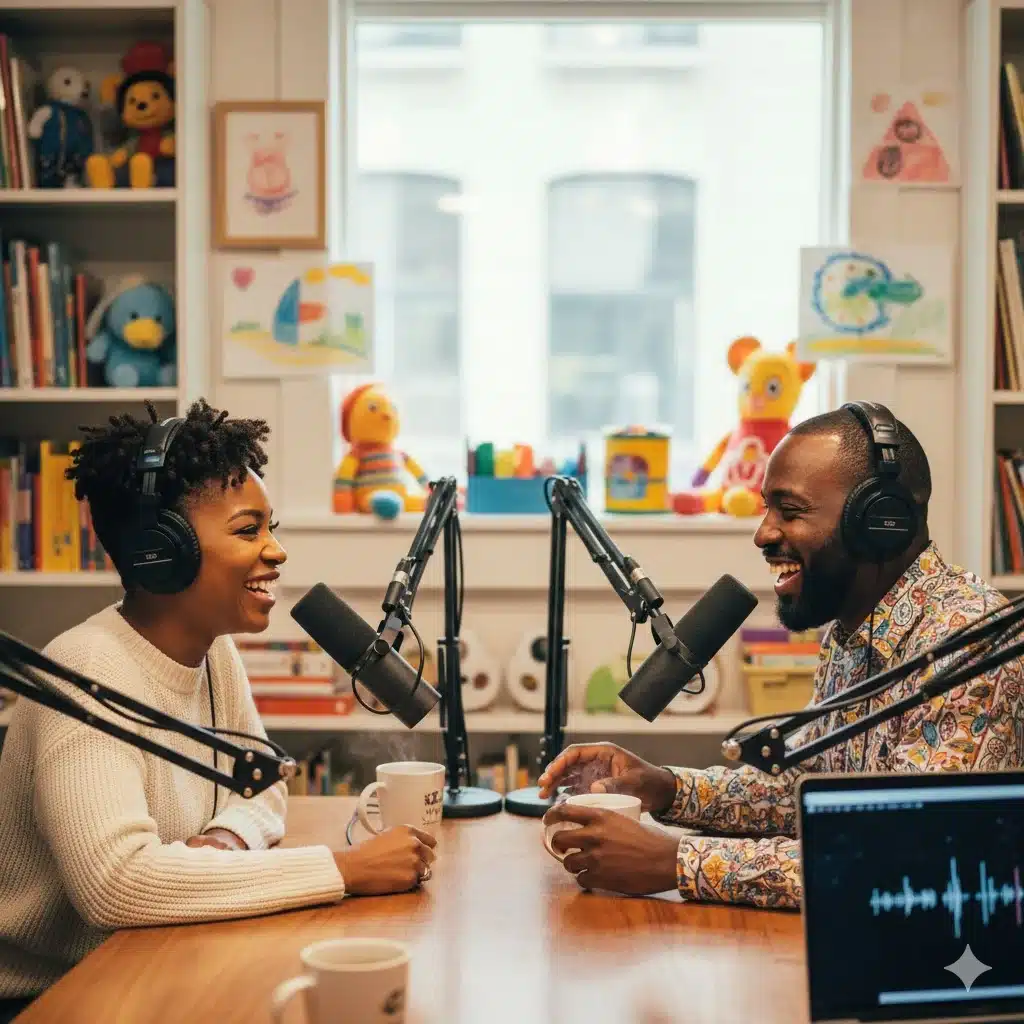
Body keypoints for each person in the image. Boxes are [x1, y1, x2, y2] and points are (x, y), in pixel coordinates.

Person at [0, 399, 435, 1017]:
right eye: (248, 530)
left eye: (271, 527)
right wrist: (343, 870)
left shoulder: (215, 654)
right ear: (163, 551)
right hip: (57, 996)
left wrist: (224, 841)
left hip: (155, 958)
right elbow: (117, 886)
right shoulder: (87, 670)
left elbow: (265, 787)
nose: (276, 552)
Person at [538, 404, 1024, 909]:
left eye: (789, 511)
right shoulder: (853, 625)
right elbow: (804, 789)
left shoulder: (969, 643)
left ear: (880, 521)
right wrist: (666, 788)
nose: (763, 533)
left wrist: (675, 861)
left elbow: (905, 857)